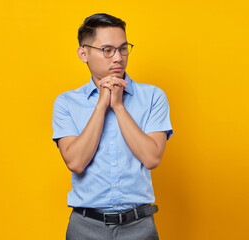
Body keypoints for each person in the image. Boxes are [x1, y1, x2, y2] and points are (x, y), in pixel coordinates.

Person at [52, 13, 173, 240]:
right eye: (107, 50)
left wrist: (118, 106)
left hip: (139, 226)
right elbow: (76, 163)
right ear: (83, 53)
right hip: (85, 227)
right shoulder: (66, 102)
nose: (118, 57)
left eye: (123, 48)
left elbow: (152, 158)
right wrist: (101, 104)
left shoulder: (153, 97)